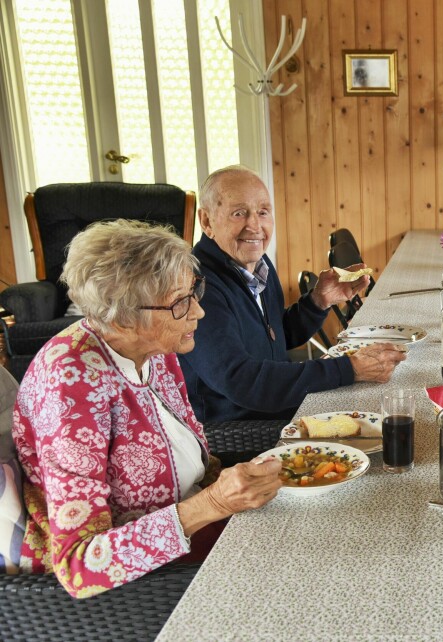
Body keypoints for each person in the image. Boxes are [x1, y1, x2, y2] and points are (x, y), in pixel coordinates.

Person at [13, 220, 282, 598]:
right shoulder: (70, 386)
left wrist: (236, 485)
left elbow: (199, 465)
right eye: (180, 303)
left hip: (203, 526)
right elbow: (79, 567)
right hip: (147, 583)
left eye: (194, 292)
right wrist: (215, 503)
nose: (199, 313)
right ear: (122, 317)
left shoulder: (156, 347)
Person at [180, 166, 406, 422]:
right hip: (241, 428)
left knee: (394, 399)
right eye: (239, 213)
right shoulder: (197, 286)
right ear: (207, 221)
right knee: (386, 418)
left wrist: (318, 302)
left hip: (276, 404)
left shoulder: (256, 263)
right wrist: (349, 368)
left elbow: (276, 336)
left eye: (263, 212)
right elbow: (242, 382)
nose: (255, 225)